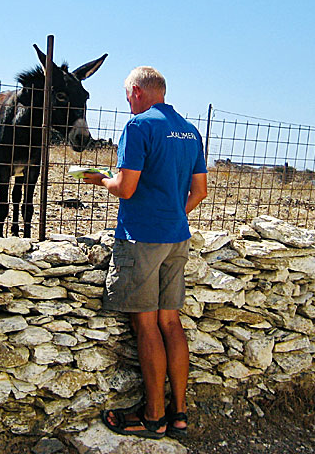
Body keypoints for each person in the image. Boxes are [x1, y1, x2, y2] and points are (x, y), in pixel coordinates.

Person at [82, 66, 208, 440]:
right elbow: (200, 191)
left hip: (142, 238)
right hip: (176, 237)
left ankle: (152, 417)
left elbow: (126, 188)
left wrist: (99, 179)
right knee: (171, 322)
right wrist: (172, 215)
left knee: (146, 324)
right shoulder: (190, 130)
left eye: (126, 95)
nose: (126, 102)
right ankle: (179, 413)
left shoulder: (138, 127)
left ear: (137, 91)